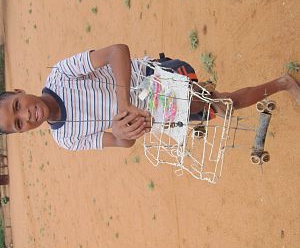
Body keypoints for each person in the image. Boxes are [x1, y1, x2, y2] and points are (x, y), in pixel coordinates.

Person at [0, 44, 299, 151]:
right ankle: (280, 83)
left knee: (221, 104)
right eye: (18, 124)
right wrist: (123, 131)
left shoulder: (61, 75)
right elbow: (121, 142)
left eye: (17, 106)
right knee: (221, 104)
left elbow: (118, 50)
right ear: (22, 132)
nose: (27, 116)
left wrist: (123, 104)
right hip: (157, 118)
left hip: (151, 77)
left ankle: (284, 82)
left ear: (18, 91)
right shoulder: (65, 139)